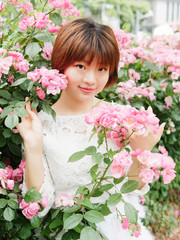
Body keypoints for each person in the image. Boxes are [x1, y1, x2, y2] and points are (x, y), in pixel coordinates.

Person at [17, 18, 165, 239]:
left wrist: (142, 151)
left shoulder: (122, 119)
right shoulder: (41, 124)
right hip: (69, 231)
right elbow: (38, 205)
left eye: (102, 68)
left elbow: (130, 192)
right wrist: (33, 146)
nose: (90, 79)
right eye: (80, 66)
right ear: (61, 63)